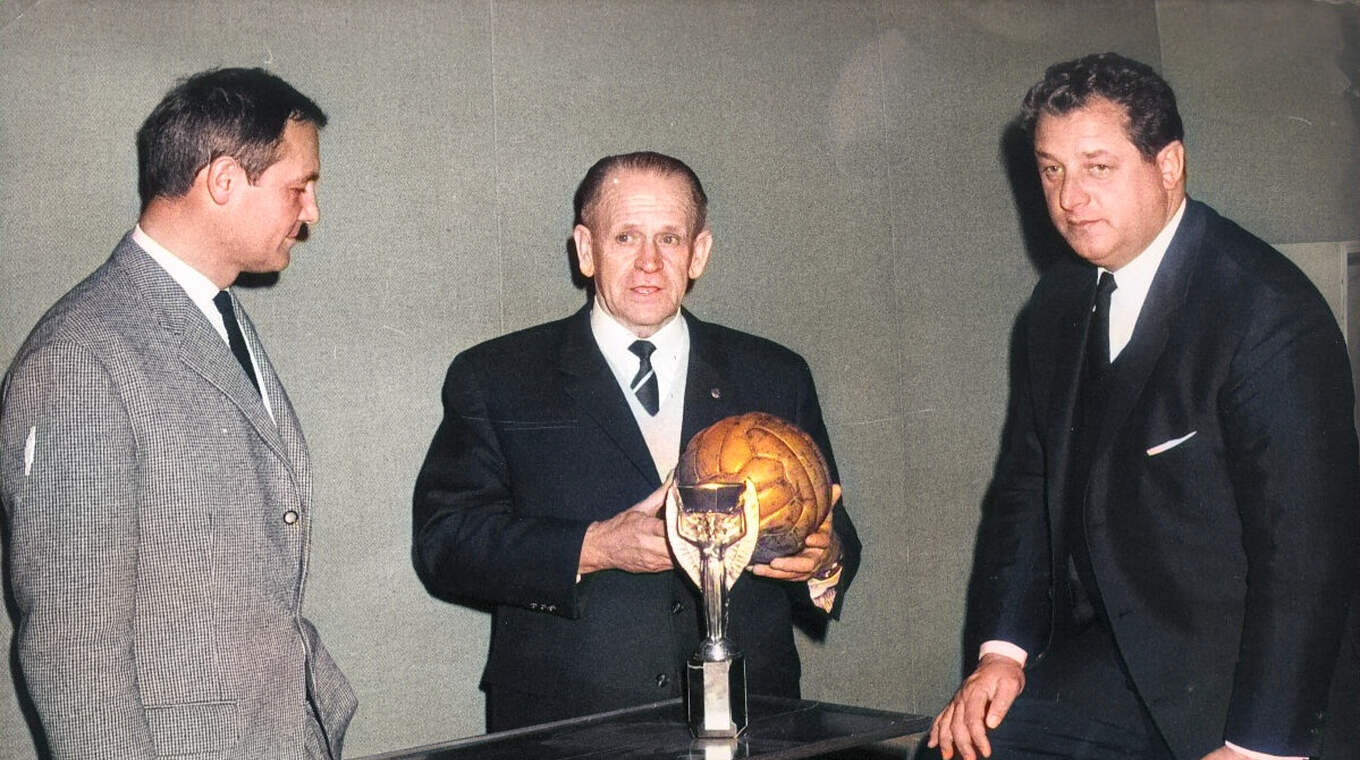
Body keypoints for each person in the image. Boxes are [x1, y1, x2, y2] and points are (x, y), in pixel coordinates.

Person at [927, 53, 1360, 760]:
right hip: (1121, 659)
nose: (1070, 199)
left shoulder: (1266, 310)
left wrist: (1260, 747)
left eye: (1098, 167)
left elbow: (1306, 555)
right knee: (967, 748)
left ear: (1169, 165)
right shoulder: (1058, 302)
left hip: (1251, 682)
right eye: (1051, 169)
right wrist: (1001, 653)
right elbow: (1024, 490)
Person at [412, 150, 860, 730]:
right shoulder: (497, 377)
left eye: (670, 239)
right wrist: (593, 547)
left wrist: (822, 563)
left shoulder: (774, 374)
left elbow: (837, 534)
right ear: (585, 248)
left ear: (698, 253)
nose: (649, 263)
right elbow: (445, 543)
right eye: (625, 237)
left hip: (754, 723)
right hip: (572, 730)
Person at [0, 68, 357, 758]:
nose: (311, 212)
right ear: (223, 181)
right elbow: (71, 653)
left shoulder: (213, 313)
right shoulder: (80, 357)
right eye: (298, 187)